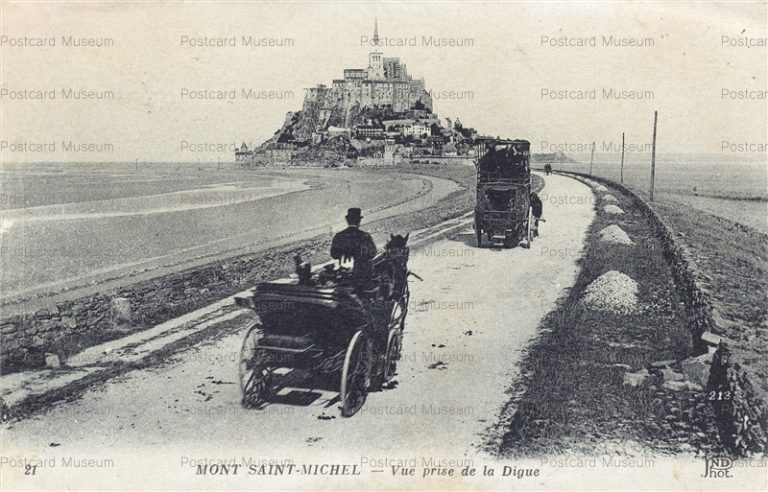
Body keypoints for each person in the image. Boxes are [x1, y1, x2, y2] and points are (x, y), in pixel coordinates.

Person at [331, 208, 377, 282]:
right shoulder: (365, 236)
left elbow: (333, 254)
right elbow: (373, 254)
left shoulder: (339, 236)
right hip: (363, 274)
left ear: (348, 221)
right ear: (359, 221)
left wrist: (344, 254)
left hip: (343, 274)